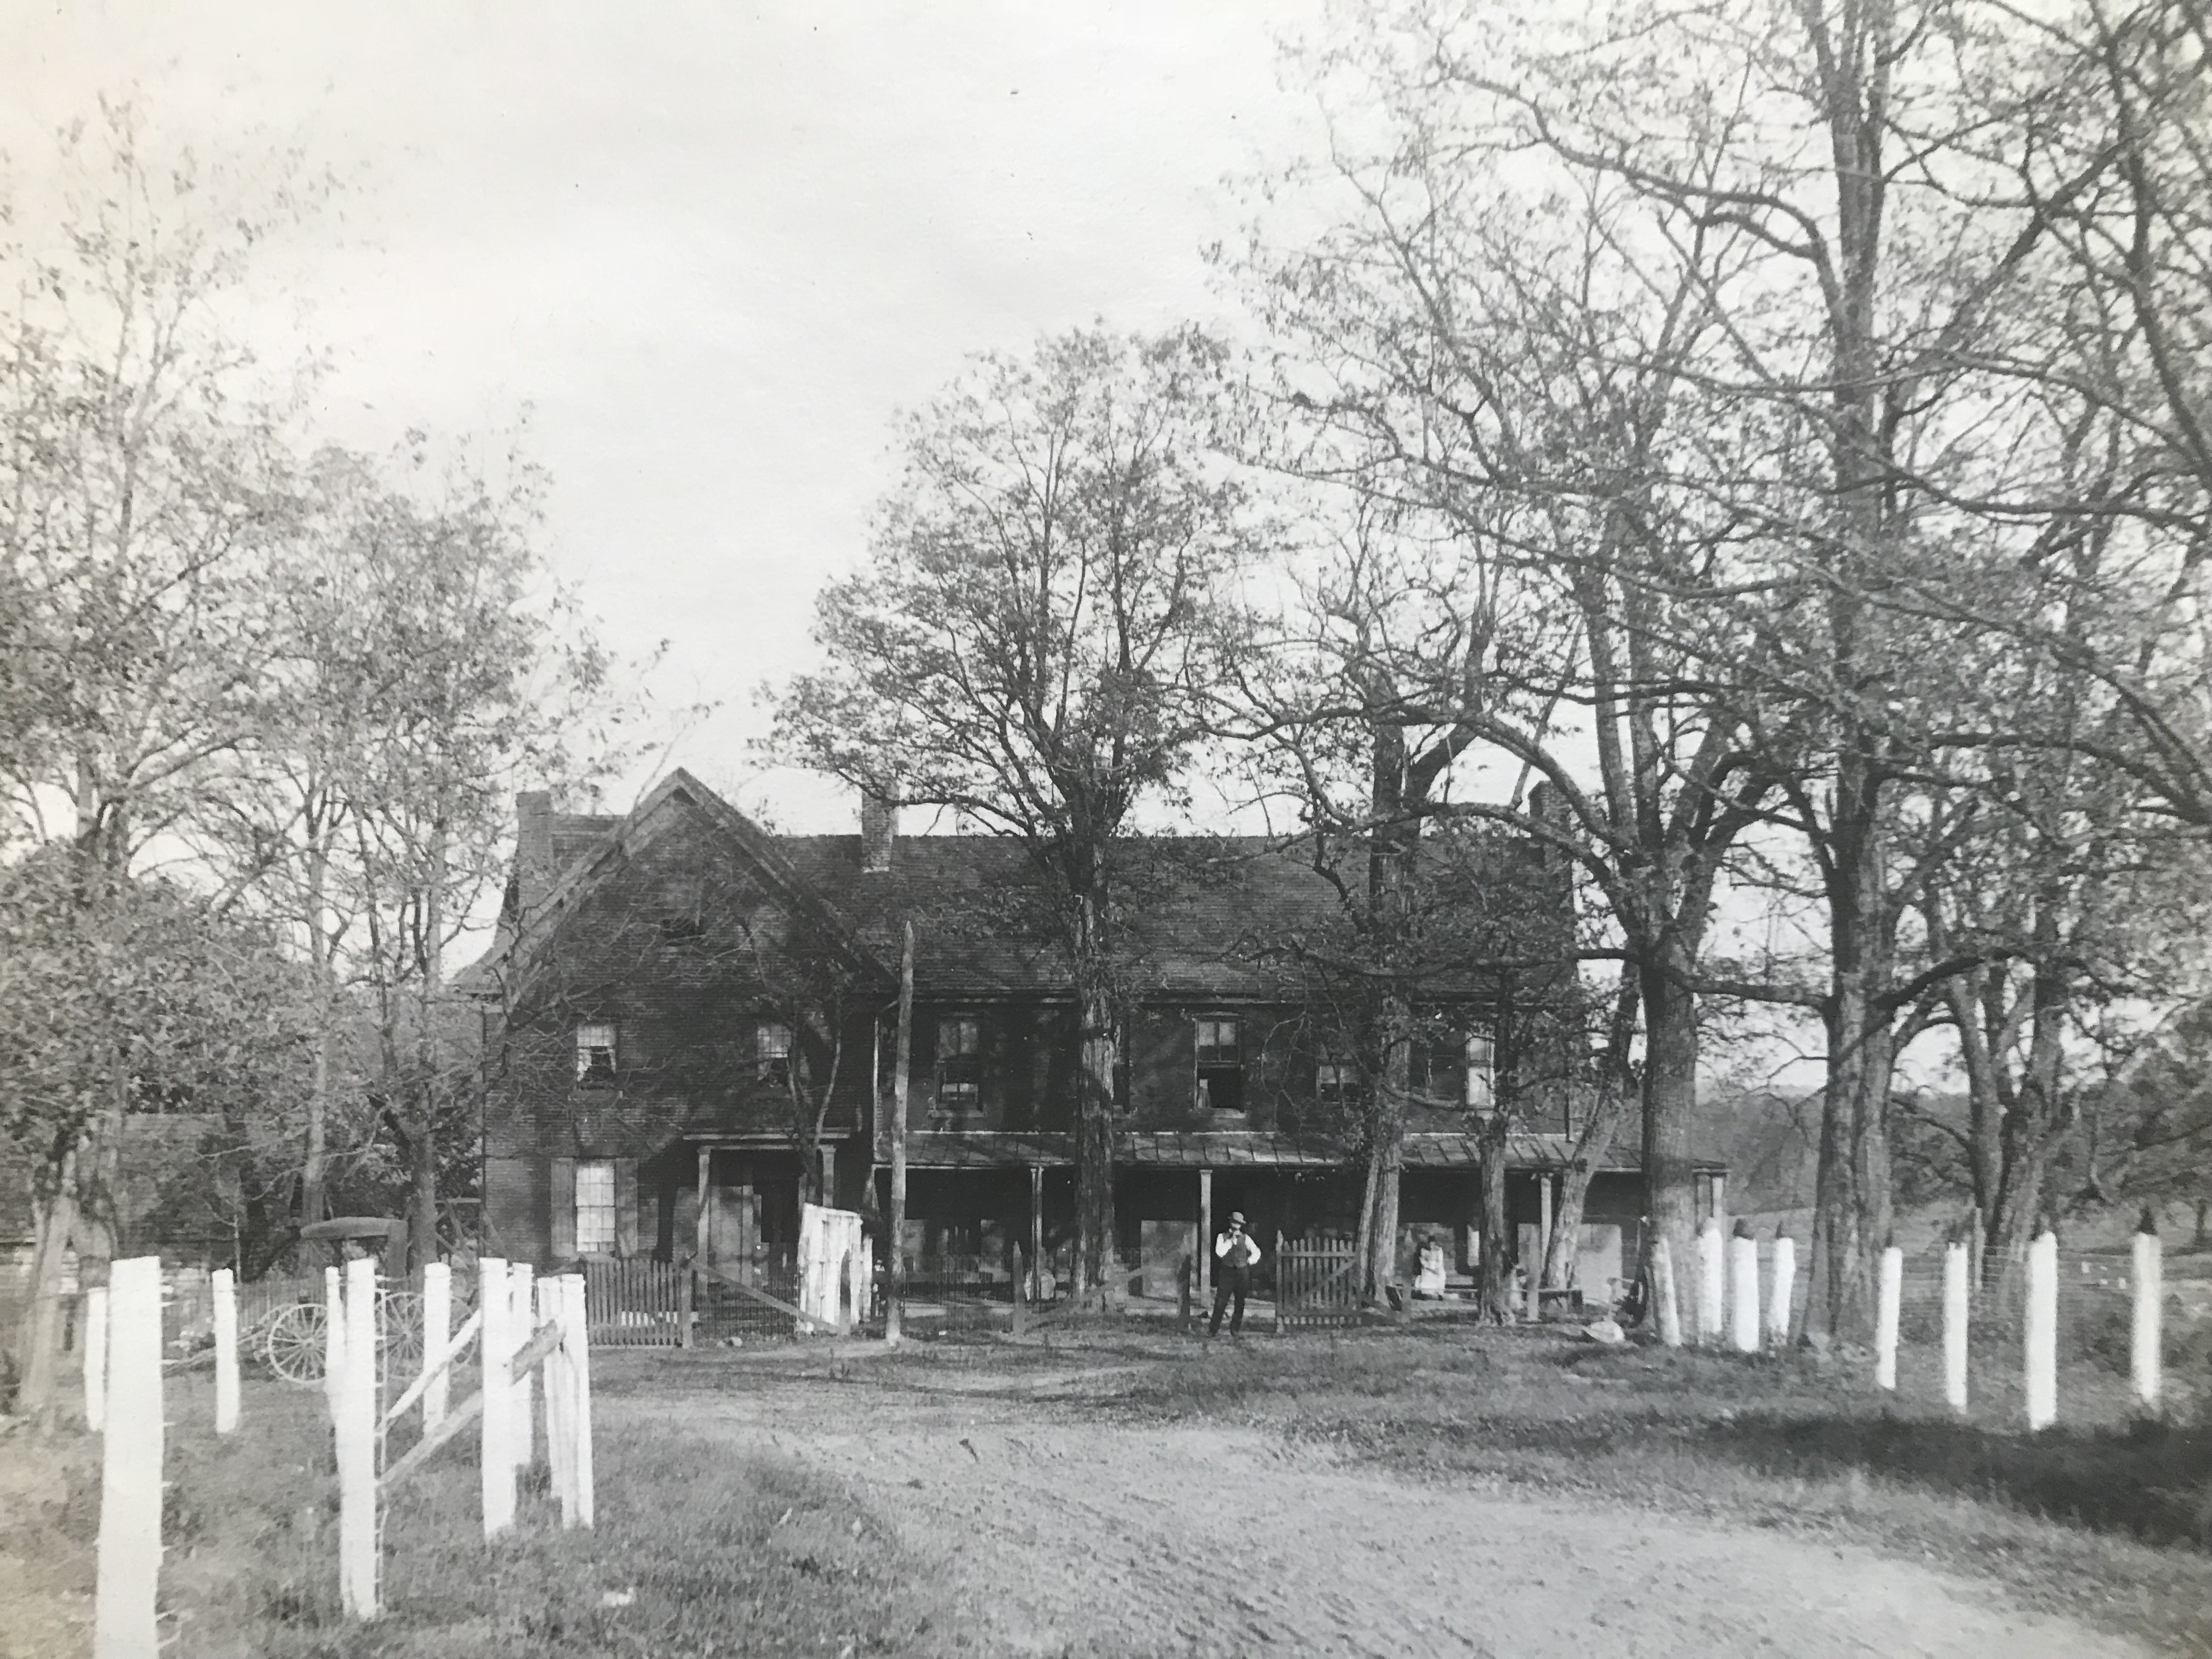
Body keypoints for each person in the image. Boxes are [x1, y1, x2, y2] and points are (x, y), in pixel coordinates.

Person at [1209, 1211, 1262, 1336]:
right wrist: (1230, 1241)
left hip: (1241, 1272)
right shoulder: (1222, 1237)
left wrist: (1248, 1261)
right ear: (1230, 1222)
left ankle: (1235, 1329)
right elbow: (1220, 1253)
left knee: (1240, 1302)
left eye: (1238, 1224)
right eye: (1234, 1222)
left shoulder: (1246, 1238)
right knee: (1221, 1301)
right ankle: (1213, 1330)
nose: (1236, 1226)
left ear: (1241, 1225)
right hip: (1227, 1272)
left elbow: (1257, 1252)